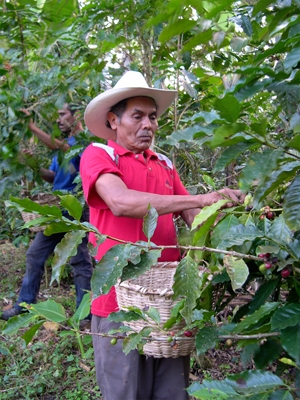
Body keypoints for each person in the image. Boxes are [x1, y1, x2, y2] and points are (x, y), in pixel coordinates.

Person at [80, 71, 245, 400]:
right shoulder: (99, 155)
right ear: (113, 120)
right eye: (137, 116)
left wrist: (229, 219)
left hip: (166, 305)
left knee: (172, 393)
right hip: (119, 305)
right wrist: (200, 198)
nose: (148, 125)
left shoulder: (164, 163)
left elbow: (194, 218)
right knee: (126, 392)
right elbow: (121, 202)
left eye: (152, 117)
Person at [1, 103, 93, 328]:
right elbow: (53, 176)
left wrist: (31, 126)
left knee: (79, 259)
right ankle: (24, 304)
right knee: (35, 254)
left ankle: (86, 314)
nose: (59, 120)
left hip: (76, 208)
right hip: (57, 209)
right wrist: (32, 166)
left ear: (77, 116)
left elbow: (62, 147)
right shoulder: (61, 147)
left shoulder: (81, 143)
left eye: (62, 115)